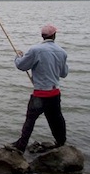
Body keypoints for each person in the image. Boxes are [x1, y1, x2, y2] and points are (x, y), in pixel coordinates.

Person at [7, 24, 69, 154]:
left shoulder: (35, 50)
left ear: (42, 36)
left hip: (40, 94)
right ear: (54, 35)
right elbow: (64, 73)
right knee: (57, 119)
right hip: (55, 93)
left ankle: (21, 146)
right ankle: (61, 142)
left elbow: (22, 66)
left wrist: (18, 56)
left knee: (30, 120)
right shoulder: (62, 52)